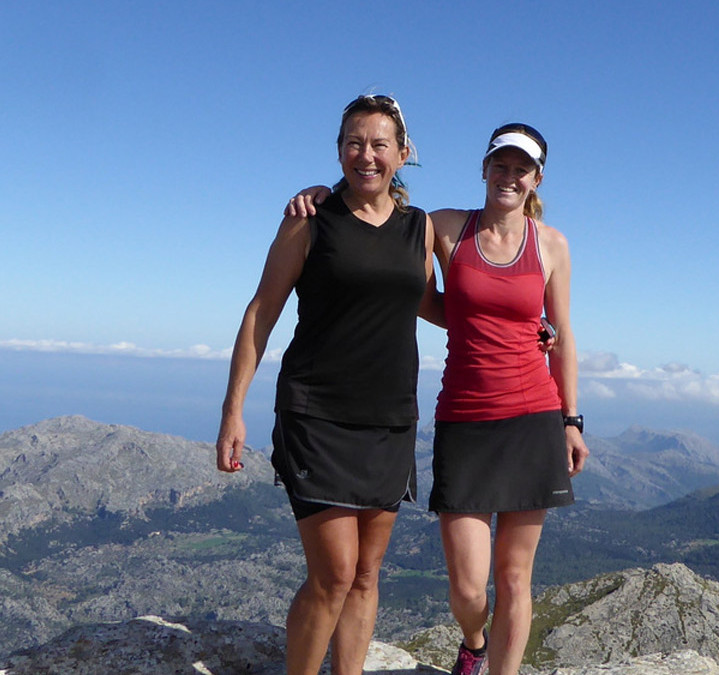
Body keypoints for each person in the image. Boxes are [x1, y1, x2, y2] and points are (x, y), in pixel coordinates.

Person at [288, 123, 588, 675]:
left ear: (536, 179)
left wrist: (572, 420)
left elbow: (563, 334)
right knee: (468, 587)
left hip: (534, 417)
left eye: (521, 168)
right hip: (466, 419)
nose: (509, 176)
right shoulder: (443, 227)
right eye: (500, 164)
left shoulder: (552, 245)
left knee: (515, 578)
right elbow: (405, 266)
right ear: (484, 168)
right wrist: (321, 192)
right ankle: (474, 641)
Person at [217, 93, 433, 675]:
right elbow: (261, 311)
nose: (366, 155)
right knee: (334, 573)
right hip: (318, 416)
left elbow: (434, 302)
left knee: (366, 574)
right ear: (338, 151)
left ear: (403, 153)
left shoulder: (421, 229)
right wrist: (232, 410)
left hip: (390, 420)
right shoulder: (309, 220)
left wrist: (526, 325)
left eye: (379, 144)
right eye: (354, 143)